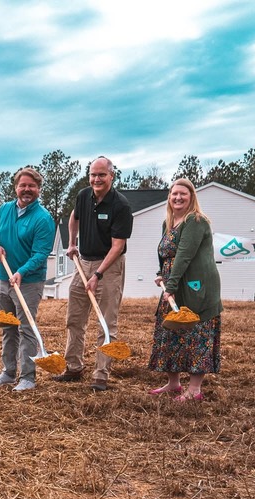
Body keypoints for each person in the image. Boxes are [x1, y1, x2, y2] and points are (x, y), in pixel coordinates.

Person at [55, 156, 133, 391]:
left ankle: (101, 374)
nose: (96, 179)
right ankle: (74, 367)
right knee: (74, 319)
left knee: (106, 321)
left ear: (111, 176)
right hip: (83, 262)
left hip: (108, 266)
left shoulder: (121, 205)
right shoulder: (83, 196)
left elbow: (117, 246)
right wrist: (71, 243)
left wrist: (97, 274)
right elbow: (73, 216)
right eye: (93, 175)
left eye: (101, 175)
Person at [0, 167, 56, 392]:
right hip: (4, 278)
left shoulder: (43, 218)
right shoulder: (4, 210)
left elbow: (41, 254)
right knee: (8, 326)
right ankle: (8, 372)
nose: (26, 190)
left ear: (38, 189)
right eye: (22, 185)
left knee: (26, 328)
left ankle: (28, 377)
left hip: (29, 282)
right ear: (16, 187)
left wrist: (21, 271)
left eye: (31, 186)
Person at [148, 179, 222, 401]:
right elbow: (166, 255)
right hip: (172, 284)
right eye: (174, 194)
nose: (178, 198)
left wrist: (170, 285)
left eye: (183, 194)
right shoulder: (168, 222)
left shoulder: (196, 221)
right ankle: (174, 383)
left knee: (195, 334)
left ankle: (195, 390)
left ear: (192, 197)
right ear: (169, 197)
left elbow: (184, 255)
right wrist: (162, 273)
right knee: (170, 332)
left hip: (194, 286)